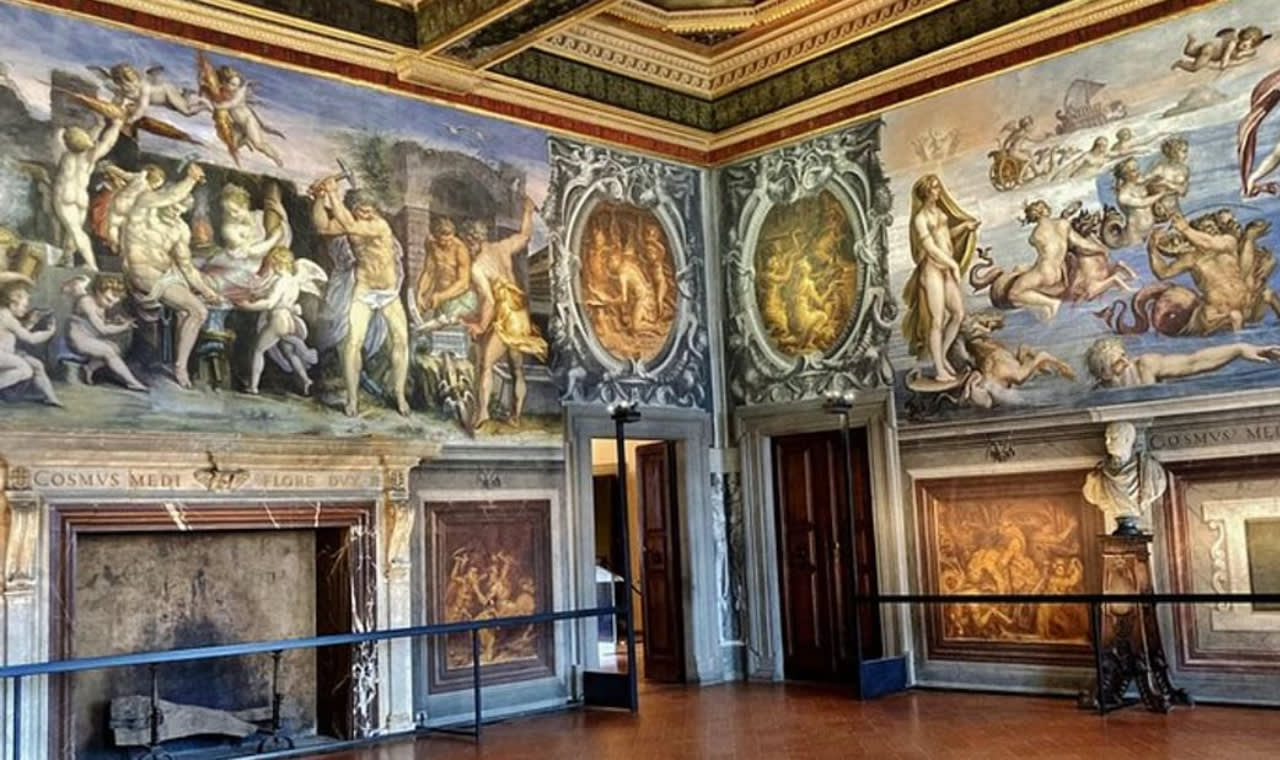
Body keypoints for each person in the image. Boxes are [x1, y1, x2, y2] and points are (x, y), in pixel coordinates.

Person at [312, 180, 410, 416]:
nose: (368, 214)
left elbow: (348, 224)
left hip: (388, 292)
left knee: (401, 340)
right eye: (363, 210)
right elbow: (322, 228)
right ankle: (352, 399)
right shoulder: (350, 222)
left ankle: (400, 395)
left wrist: (333, 192)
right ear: (354, 209)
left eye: (371, 210)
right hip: (364, 289)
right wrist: (320, 197)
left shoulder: (379, 225)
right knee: (353, 343)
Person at [119, 162, 220, 389]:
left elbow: (187, 266)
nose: (176, 211)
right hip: (141, 272)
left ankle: (178, 364)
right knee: (198, 310)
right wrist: (191, 178)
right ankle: (180, 368)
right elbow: (171, 195)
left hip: (165, 277)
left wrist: (206, 290)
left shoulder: (179, 229)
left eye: (182, 209)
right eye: (174, 206)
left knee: (191, 311)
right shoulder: (144, 206)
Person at [463, 198, 545, 429]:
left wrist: (480, 326)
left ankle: (483, 414)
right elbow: (525, 236)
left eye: (467, 243)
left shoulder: (477, 266)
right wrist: (528, 211)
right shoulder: (501, 247)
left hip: (505, 315)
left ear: (471, 240)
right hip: (520, 315)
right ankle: (516, 416)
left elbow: (490, 301)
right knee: (516, 368)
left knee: (485, 365)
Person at [902, 174, 979, 382]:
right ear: (926, 193)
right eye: (934, 188)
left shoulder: (939, 213)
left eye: (937, 187)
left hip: (945, 269)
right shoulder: (920, 219)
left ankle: (942, 355)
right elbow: (930, 248)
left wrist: (963, 228)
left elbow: (944, 237)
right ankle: (939, 369)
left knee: (957, 314)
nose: (938, 192)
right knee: (937, 321)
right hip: (932, 271)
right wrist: (952, 264)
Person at [230, 246, 327, 396]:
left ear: (277, 262)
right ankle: (306, 380)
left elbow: (270, 303)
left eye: (271, 263)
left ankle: (253, 386)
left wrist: (248, 306)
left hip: (278, 321)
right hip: (289, 322)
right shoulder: (293, 281)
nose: (270, 267)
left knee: (258, 350)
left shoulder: (281, 281)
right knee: (289, 354)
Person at [53, 116, 124, 270]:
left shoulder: (66, 155)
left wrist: (99, 126)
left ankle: (92, 266)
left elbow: (80, 141)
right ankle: (66, 258)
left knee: (76, 231)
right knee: (73, 230)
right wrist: (115, 126)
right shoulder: (89, 158)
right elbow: (107, 143)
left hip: (65, 195)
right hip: (81, 197)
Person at [1085, 335, 1280, 387]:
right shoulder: (1100, 391)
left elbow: (1193, 362)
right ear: (1104, 373)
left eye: (1124, 355)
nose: (1126, 361)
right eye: (1118, 362)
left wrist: (1238, 349)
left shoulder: (1145, 365)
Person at [63, 274, 146, 390]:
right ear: (98, 291)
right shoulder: (86, 302)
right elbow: (102, 329)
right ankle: (132, 382)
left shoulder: (100, 303)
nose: (110, 305)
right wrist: (124, 327)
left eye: (114, 303)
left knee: (116, 349)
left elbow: (99, 322)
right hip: (77, 340)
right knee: (108, 351)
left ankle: (89, 368)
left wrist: (115, 321)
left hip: (89, 338)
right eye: (108, 300)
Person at [1082, 421, 1167, 534]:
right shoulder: (1098, 474)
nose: (1107, 442)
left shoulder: (1151, 470)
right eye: (1106, 438)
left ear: (1127, 439)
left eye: (1113, 438)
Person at [0, 274, 60, 405]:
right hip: (2, 355)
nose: (25, 309)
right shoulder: (7, 318)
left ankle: (50, 397)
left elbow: (15, 333)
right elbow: (30, 339)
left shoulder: (5, 314)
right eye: (24, 306)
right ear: (13, 303)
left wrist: (30, 324)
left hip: (6, 354)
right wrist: (49, 333)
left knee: (37, 365)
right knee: (25, 370)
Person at [414, 217, 476, 333]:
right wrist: (420, 293)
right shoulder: (431, 244)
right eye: (443, 240)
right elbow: (429, 271)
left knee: (453, 334)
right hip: (441, 302)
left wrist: (440, 296)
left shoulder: (460, 249)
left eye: (450, 239)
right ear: (435, 237)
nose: (448, 243)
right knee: (438, 336)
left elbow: (464, 283)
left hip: (460, 300)